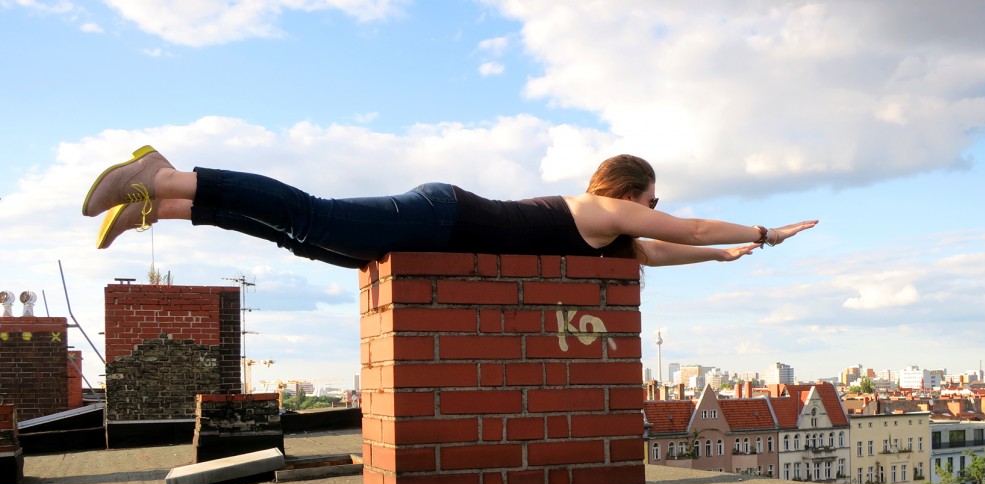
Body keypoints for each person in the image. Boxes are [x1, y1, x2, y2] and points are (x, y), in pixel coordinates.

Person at [82, 148, 817, 267]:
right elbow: (676, 227)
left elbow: (666, 247)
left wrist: (722, 254)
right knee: (315, 216)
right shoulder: (602, 210)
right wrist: (764, 230)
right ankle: (169, 173)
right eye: (653, 197)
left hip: (439, 224)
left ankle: (162, 208)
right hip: (440, 216)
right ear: (630, 192)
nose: (660, 209)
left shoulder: (612, 234)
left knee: (310, 243)